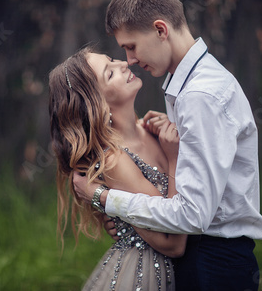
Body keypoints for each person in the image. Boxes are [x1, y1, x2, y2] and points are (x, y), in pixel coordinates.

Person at [73, 0, 262, 291]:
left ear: (160, 30)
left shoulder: (200, 96)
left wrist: (107, 199)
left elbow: (192, 215)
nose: (131, 61)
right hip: (203, 256)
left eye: (131, 47)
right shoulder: (187, 88)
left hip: (214, 263)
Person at [49, 46, 188, 290]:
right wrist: (176, 159)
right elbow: (173, 243)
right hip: (147, 275)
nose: (123, 64)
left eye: (112, 60)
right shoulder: (114, 160)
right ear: (97, 103)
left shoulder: (150, 129)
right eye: (110, 74)